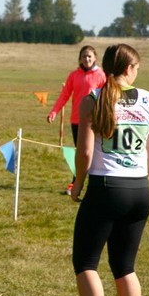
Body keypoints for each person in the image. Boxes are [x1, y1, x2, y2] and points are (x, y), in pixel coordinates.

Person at [67, 44, 149, 296]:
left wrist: (78, 184)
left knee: (85, 262)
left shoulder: (92, 100)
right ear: (130, 69)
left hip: (106, 187)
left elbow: (84, 152)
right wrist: (142, 179)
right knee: (125, 266)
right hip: (139, 190)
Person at [47, 46, 106, 194]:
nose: (87, 59)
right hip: (76, 121)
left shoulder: (101, 75)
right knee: (80, 153)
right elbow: (64, 95)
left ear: (95, 58)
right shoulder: (74, 75)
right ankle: (75, 183)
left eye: (89, 56)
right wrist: (54, 111)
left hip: (94, 121)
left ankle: (94, 183)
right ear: (80, 58)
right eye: (84, 56)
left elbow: (107, 98)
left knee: (94, 152)